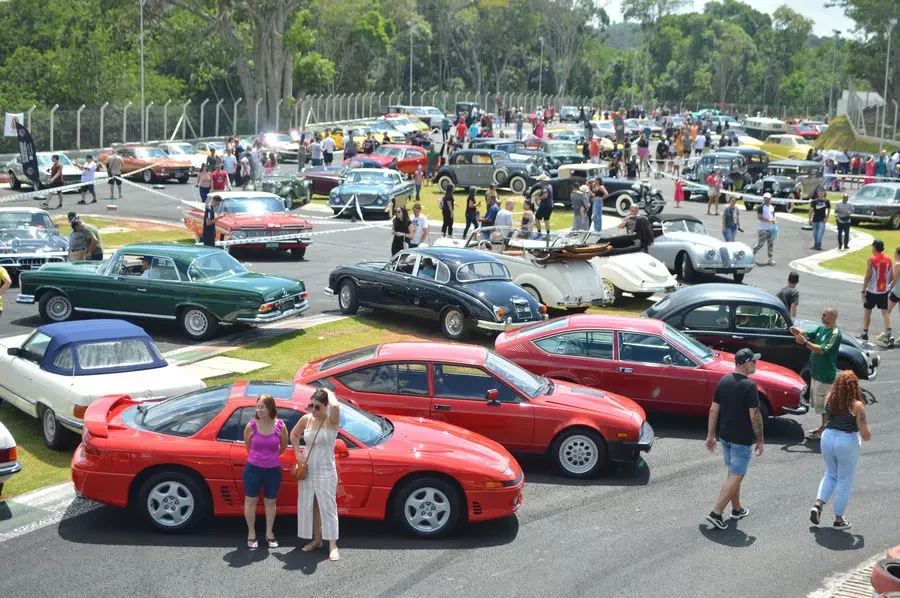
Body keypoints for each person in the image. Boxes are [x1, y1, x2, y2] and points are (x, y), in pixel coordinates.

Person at [704, 348, 764, 530]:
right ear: (745, 363)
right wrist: (760, 439)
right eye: (753, 361)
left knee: (733, 474)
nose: (755, 364)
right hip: (741, 439)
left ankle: (737, 509)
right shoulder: (750, 386)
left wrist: (711, 435)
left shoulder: (724, 380)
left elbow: (714, 410)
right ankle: (716, 512)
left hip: (726, 437)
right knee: (737, 474)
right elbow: (755, 415)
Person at [808, 370, 871, 531]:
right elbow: (865, 434)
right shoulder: (857, 405)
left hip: (828, 437)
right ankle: (838, 518)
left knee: (829, 474)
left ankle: (818, 504)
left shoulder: (830, 398)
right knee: (844, 480)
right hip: (846, 441)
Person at [291, 388, 341, 561]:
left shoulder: (332, 419)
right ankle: (317, 539)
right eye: (312, 405)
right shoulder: (307, 419)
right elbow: (294, 434)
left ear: (326, 406)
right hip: (309, 468)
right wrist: (297, 453)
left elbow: (336, 405)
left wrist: (327, 390)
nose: (313, 410)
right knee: (311, 505)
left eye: (318, 406)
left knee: (328, 507)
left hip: (326, 469)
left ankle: (333, 545)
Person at [242, 394, 288, 550]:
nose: (259, 410)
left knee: (270, 502)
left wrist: (270, 458)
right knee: (251, 501)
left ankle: (269, 533)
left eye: (262, 407)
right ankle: (251, 533)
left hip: (273, 470)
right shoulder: (251, 425)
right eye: (257, 406)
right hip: (253, 469)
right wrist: (259, 458)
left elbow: (282, 447)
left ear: (270, 408)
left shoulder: (280, 426)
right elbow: (248, 447)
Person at [790, 307, 842, 440]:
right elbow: (806, 333)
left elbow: (822, 350)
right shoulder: (821, 328)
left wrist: (805, 342)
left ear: (833, 317)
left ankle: (826, 430)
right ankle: (823, 426)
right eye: (822, 314)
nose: (822, 316)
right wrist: (798, 332)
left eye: (825, 315)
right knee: (820, 405)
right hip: (816, 373)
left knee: (825, 405)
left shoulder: (835, 333)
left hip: (825, 375)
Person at [860, 239, 894, 343]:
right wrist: (885, 285)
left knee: (867, 311)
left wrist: (863, 290)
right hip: (883, 291)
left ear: (874, 247)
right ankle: (888, 332)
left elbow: (867, 276)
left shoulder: (871, 259)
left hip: (872, 291)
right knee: (885, 312)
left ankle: (865, 333)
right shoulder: (888, 259)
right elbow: (891, 276)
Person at [752, 193, 776, 266]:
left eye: (768, 198)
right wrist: (769, 220)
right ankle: (752, 254)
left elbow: (773, 216)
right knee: (761, 244)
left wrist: (774, 221)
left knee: (770, 244)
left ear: (770, 199)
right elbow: (759, 217)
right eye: (765, 198)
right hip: (763, 229)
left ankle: (770, 259)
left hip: (771, 229)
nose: (767, 199)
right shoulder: (761, 207)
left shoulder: (772, 207)